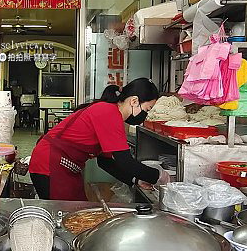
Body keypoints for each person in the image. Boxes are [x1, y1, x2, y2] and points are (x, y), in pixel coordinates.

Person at [28, 78, 170, 201]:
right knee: (66, 215)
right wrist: (160, 177)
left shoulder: (110, 112)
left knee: (77, 213)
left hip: (62, 165)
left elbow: (105, 161)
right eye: (147, 109)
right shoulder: (109, 113)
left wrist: (135, 180)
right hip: (50, 163)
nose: (146, 115)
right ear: (134, 101)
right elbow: (125, 161)